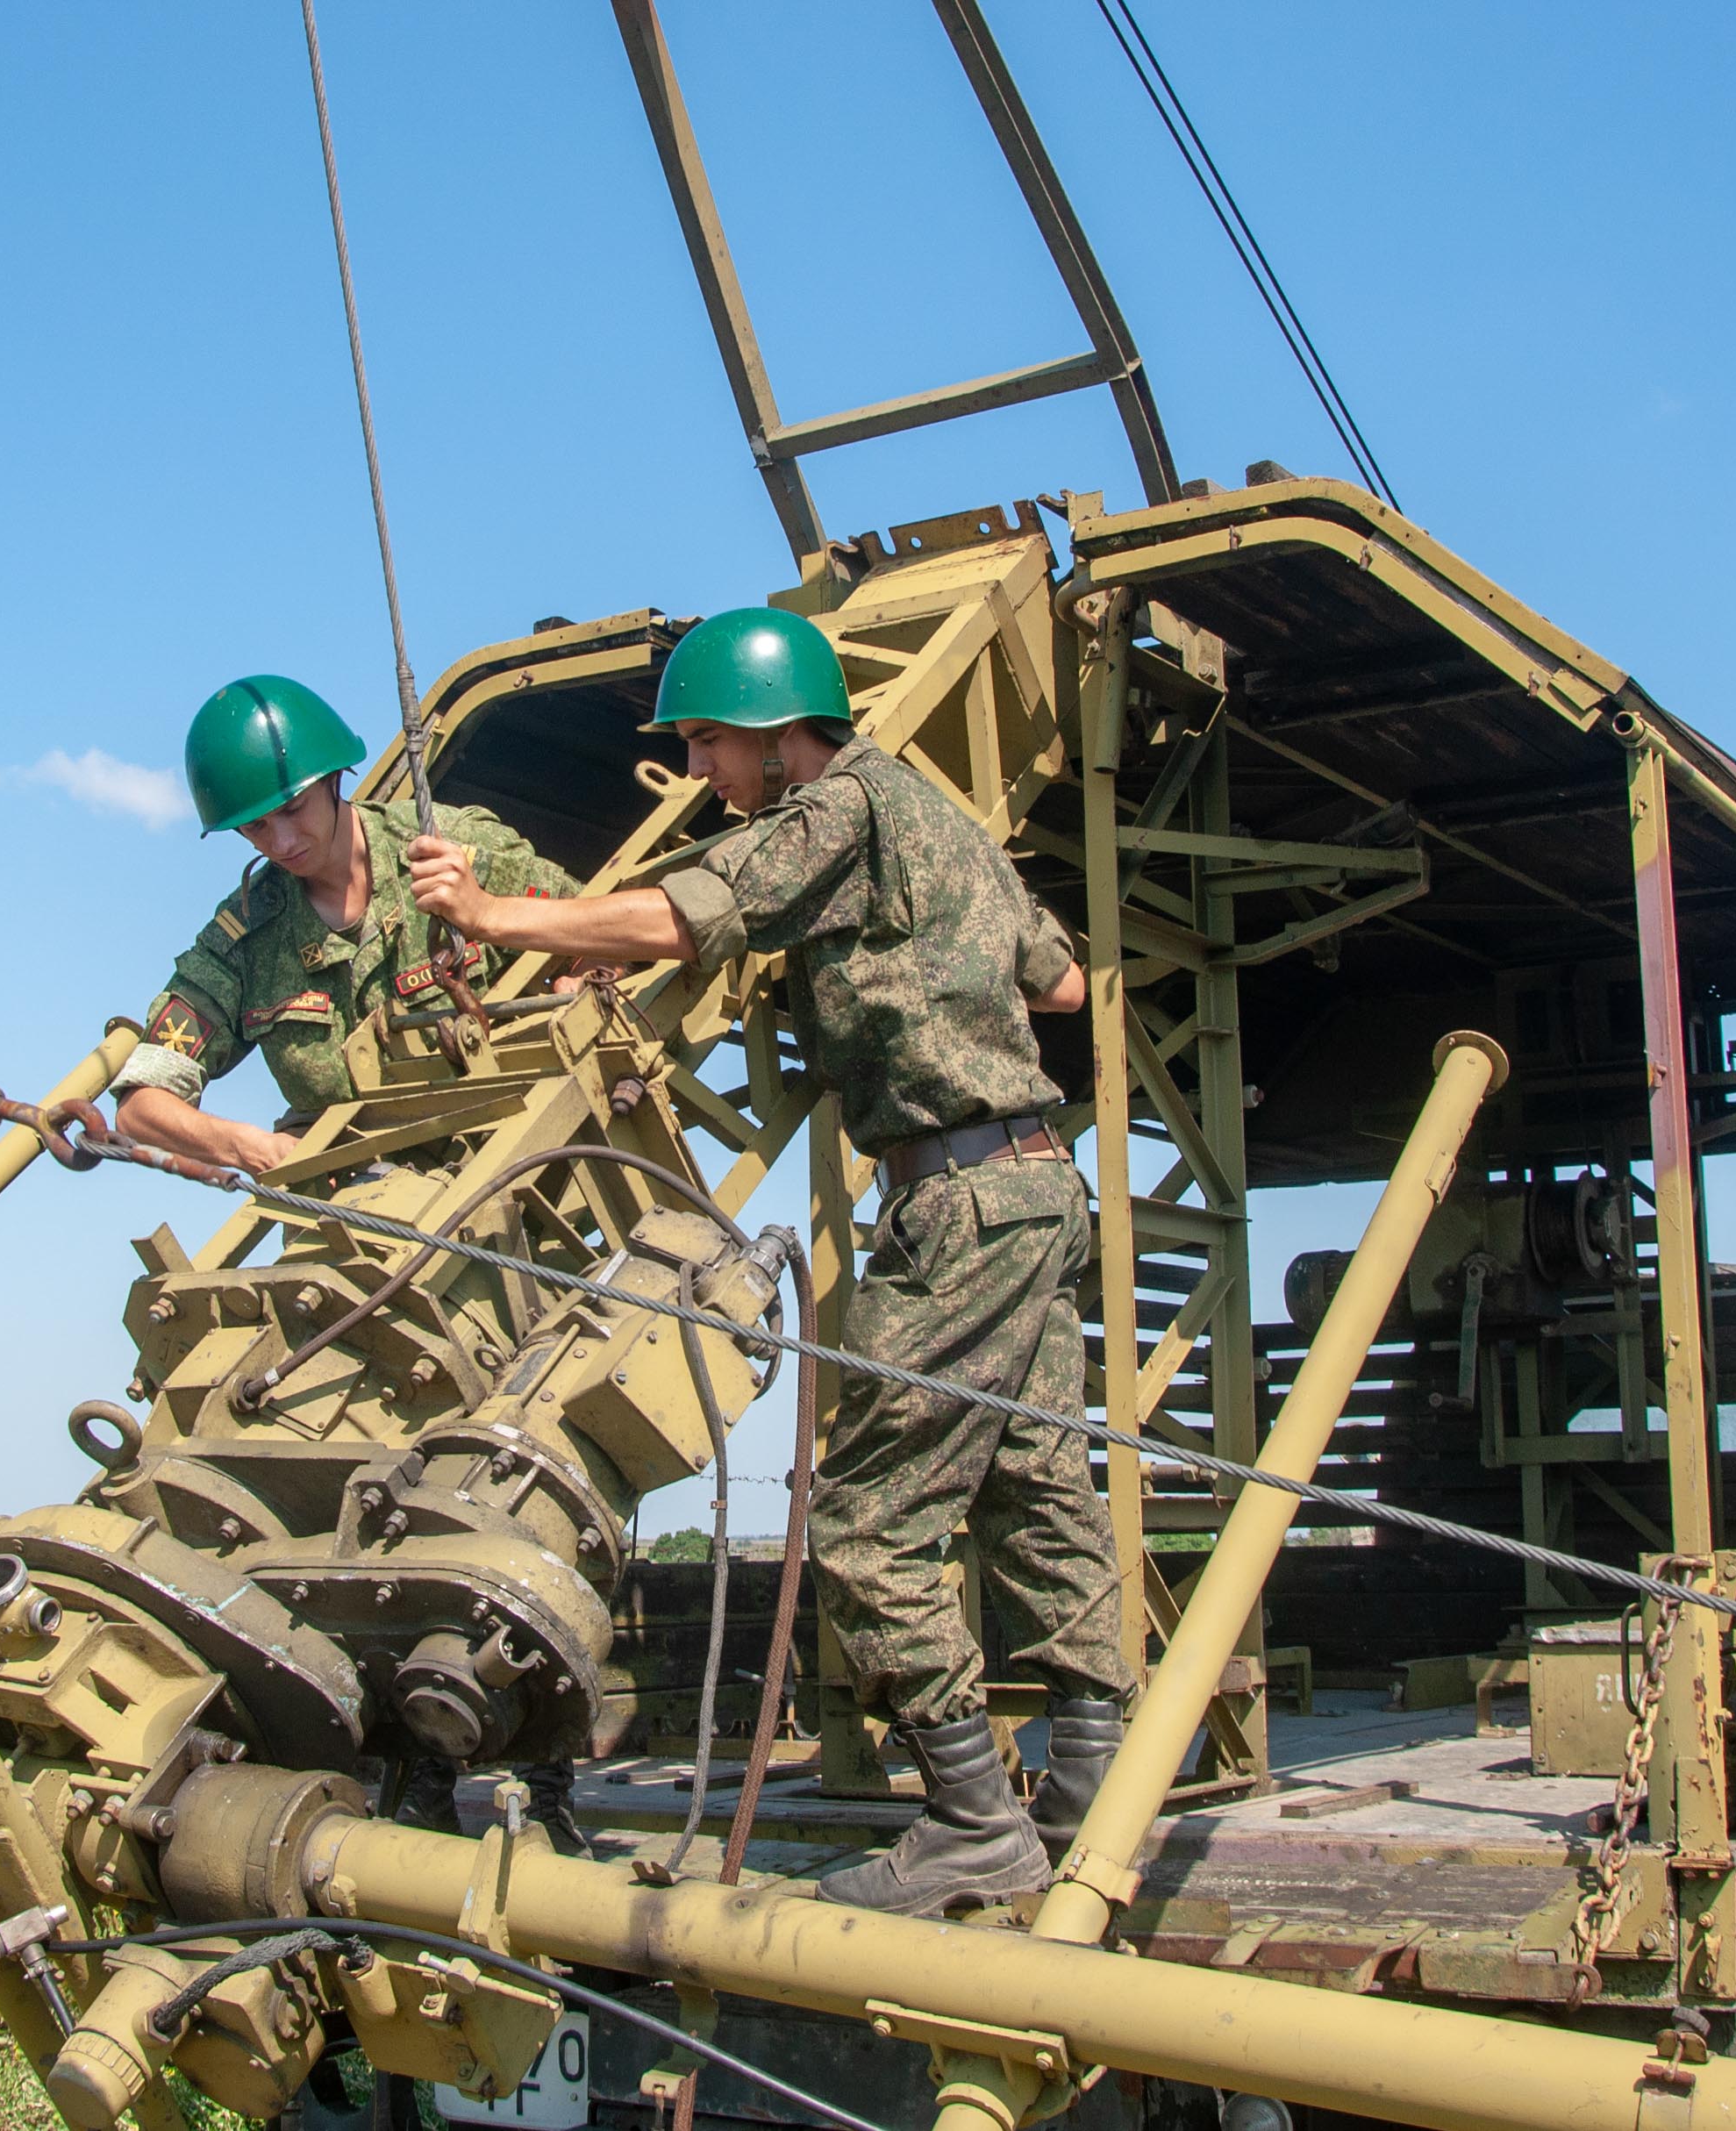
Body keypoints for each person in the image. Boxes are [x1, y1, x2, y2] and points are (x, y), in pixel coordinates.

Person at [409, 606, 1134, 1914]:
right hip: (1034, 1183)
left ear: (767, 726)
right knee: (1034, 1482)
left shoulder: (837, 810)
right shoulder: (943, 821)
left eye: (705, 743)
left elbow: (690, 917)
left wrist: (495, 914)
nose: (700, 774)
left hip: (956, 1202)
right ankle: (1090, 1775)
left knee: (864, 1519)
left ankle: (975, 1815)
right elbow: (1062, 985)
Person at [106, 671, 593, 1853]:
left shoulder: (450, 848)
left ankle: (550, 1770)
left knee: (537, 1477)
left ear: (334, 780)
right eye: (254, 826)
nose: (280, 839)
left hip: (519, 1216)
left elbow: (601, 939)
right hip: (362, 1243)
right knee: (364, 1491)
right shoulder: (246, 941)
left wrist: (490, 917)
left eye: (292, 810)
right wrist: (263, 1147)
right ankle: (408, 1767)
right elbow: (138, 1100)